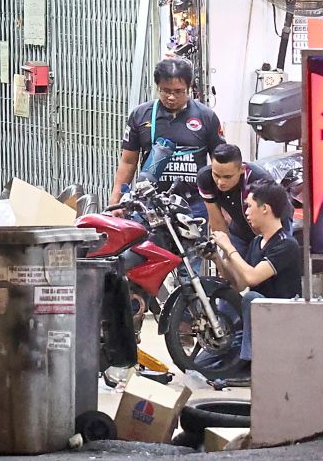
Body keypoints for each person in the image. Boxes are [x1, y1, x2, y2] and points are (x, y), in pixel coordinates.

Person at [210, 181, 301, 373]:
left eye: (249, 206)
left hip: (280, 319)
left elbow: (252, 279)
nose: (247, 213)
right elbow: (239, 283)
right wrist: (218, 257)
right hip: (258, 320)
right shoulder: (257, 242)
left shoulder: (286, 244)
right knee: (207, 362)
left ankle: (250, 366)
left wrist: (230, 247)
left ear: (265, 209)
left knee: (252, 298)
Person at [111, 57, 223, 205]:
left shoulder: (207, 117)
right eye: (166, 91)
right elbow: (128, 162)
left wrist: (222, 204)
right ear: (158, 86)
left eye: (178, 91)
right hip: (151, 204)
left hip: (195, 204)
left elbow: (220, 161)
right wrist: (115, 202)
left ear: (189, 87)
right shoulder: (140, 115)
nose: (171, 97)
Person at [197, 143, 286, 257]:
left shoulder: (257, 180)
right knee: (233, 264)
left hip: (273, 222)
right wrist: (227, 252)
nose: (220, 182)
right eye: (217, 175)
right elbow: (216, 221)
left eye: (227, 177)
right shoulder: (205, 178)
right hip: (239, 227)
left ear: (242, 169)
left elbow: (268, 222)